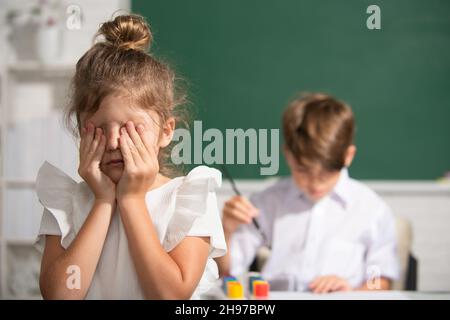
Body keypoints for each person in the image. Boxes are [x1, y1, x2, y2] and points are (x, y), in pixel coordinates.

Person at [35, 14, 226, 299]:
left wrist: (131, 200)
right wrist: (102, 202)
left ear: (165, 131)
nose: (113, 142)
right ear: (80, 132)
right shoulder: (67, 202)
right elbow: (62, 295)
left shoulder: (190, 198)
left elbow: (171, 296)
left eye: (130, 129)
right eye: (98, 129)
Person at [216, 93, 399, 293]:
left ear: (348, 156)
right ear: (288, 155)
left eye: (327, 172)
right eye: (303, 170)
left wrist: (353, 292)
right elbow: (226, 273)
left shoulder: (372, 209)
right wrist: (227, 230)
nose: (315, 183)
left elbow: (379, 280)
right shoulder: (268, 202)